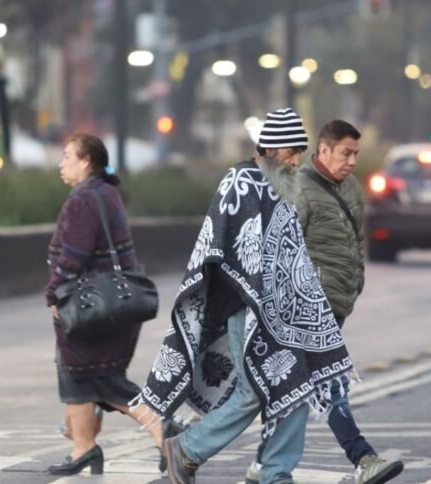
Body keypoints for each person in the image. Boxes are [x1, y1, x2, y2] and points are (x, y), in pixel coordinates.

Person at [131, 108, 356, 484]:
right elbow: (222, 247)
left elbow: (290, 253)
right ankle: (186, 449)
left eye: (299, 151)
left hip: (282, 316)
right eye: (289, 151)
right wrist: (257, 295)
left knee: (294, 390)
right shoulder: (241, 181)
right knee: (253, 393)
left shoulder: (282, 185)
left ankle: (276, 474)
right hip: (245, 308)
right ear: (267, 148)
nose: (295, 159)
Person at [246, 120, 404, 484]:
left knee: (297, 386)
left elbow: (355, 239)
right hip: (308, 305)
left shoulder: (349, 187)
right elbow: (282, 247)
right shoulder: (298, 187)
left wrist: (357, 280)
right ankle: (363, 459)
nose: (351, 161)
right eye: (345, 153)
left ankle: (261, 464)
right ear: (324, 150)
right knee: (329, 381)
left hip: (338, 301)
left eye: (355, 154)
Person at [44, 132, 167, 475]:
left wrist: (54, 292)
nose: (61, 163)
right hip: (111, 302)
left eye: (67, 156)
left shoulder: (83, 200)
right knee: (82, 375)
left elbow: (75, 255)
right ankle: (83, 447)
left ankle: (163, 430)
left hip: (91, 304)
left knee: (101, 379)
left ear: (86, 161)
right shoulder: (106, 192)